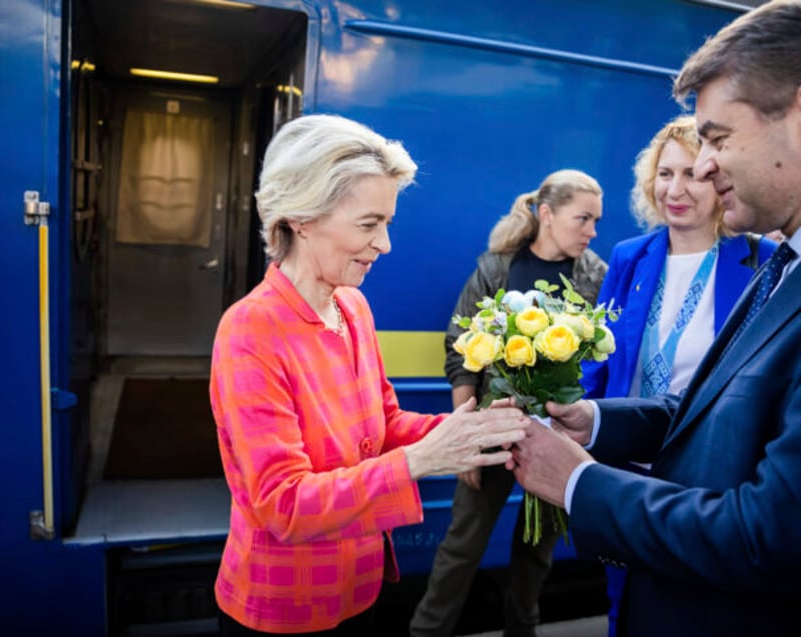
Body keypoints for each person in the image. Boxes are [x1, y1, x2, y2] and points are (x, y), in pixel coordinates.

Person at [509, 2, 801, 635]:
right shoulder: (784, 270)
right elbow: (698, 408)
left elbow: (769, 535)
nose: (699, 168)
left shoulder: (762, 260)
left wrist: (582, 485)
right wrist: (591, 421)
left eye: (718, 139)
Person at [209, 114, 528, 636]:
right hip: (286, 607)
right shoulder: (250, 330)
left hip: (360, 585)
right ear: (302, 217)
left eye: (387, 224)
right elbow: (282, 505)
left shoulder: (352, 306)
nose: (385, 245)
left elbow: (381, 423)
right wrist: (422, 460)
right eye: (368, 224)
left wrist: (472, 430)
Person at [579, 114, 776, 636]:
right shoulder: (629, 256)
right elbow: (598, 356)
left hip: (702, 474)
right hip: (623, 460)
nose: (676, 189)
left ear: (718, 179)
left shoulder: (761, 259)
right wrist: (578, 425)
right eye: (665, 174)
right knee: (621, 602)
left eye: (691, 174)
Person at [410, 170, 607, 637]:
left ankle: (524, 629)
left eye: (596, 220)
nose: (592, 231)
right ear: (547, 214)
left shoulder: (596, 275)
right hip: (492, 430)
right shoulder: (497, 267)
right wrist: (465, 436)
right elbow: (462, 349)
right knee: (462, 545)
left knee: (537, 550)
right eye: (583, 218)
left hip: (557, 436)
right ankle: (425, 632)